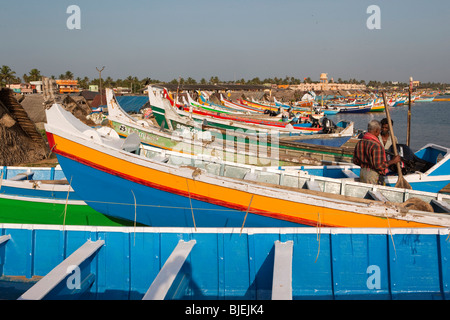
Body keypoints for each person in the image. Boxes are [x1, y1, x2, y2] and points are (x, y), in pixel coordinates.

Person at [353, 120, 401, 185]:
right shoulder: (376, 146)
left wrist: (366, 164)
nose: (379, 133)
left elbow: (355, 161)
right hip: (373, 176)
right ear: (376, 131)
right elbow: (379, 166)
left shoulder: (360, 142)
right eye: (379, 131)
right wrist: (393, 161)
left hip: (362, 173)